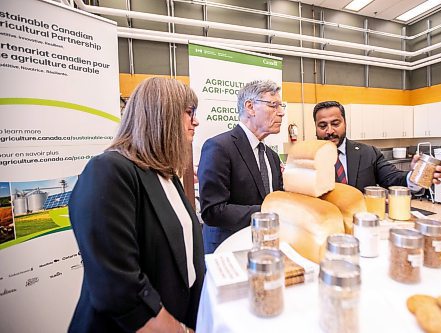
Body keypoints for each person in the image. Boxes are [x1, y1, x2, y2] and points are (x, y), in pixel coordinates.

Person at [68, 78, 205, 333]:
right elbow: (119, 287)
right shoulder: (109, 171)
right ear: (160, 115)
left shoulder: (166, 175)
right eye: (188, 112)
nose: (195, 121)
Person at [198, 80, 285, 254]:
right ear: (250, 107)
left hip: (265, 248)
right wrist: (268, 212)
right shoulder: (219, 147)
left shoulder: (272, 156)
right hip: (228, 251)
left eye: (281, 106)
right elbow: (213, 211)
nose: (281, 113)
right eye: (273, 105)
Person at [313, 100, 441, 192]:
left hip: (363, 224)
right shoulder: (305, 159)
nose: (330, 131)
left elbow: (393, 178)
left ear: (345, 123)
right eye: (323, 125)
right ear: (315, 127)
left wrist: (415, 176)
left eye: (336, 123)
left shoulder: (368, 153)